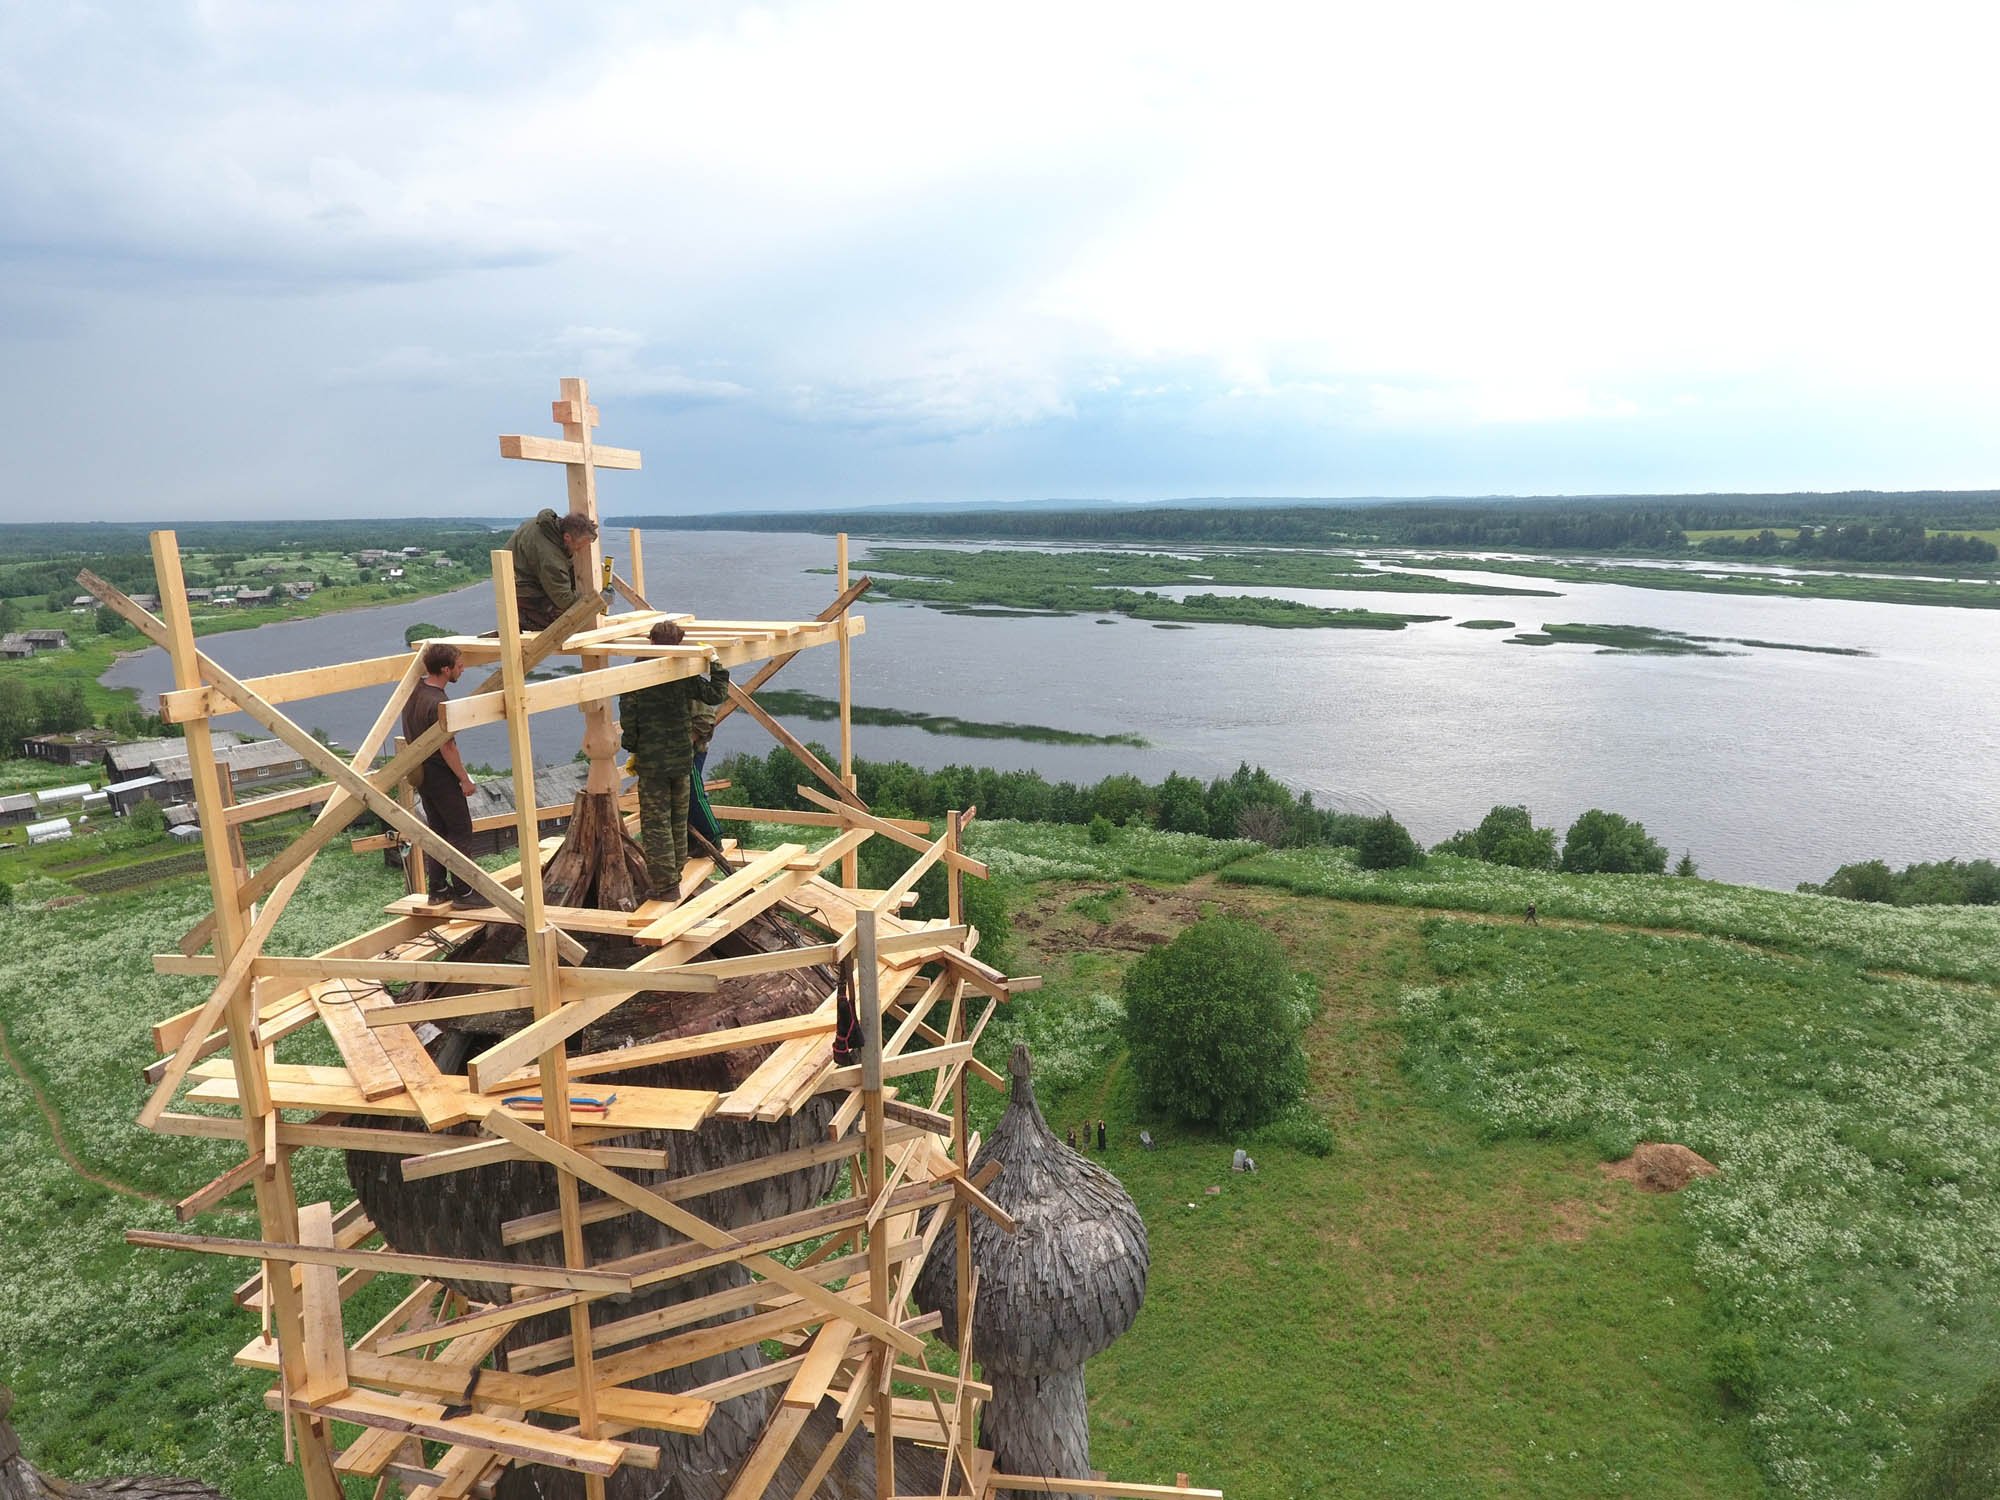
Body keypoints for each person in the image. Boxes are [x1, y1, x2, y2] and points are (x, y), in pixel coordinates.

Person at [619, 620, 731, 900]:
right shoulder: (682, 672)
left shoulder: (637, 672)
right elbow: (716, 693)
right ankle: (677, 870)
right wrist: (715, 662)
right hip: (682, 760)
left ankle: (666, 886)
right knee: (678, 819)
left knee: (657, 824)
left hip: (653, 763)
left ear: (651, 640)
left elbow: (629, 718)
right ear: (679, 642)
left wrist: (632, 747)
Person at [402, 641, 483, 908]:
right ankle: (464, 891)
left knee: (437, 830)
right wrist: (464, 779)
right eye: (459, 666)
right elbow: (447, 745)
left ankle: (437, 888)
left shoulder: (415, 692)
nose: (463, 669)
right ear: (446, 669)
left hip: (422, 774)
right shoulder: (438, 702)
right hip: (440, 774)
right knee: (460, 829)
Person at [507, 509, 599, 630]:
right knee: (565, 627)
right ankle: (523, 618)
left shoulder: (550, 527)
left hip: (526, 576)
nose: (580, 550)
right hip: (522, 592)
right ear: (567, 537)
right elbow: (564, 599)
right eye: (579, 545)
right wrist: (594, 602)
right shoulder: (550, 557)